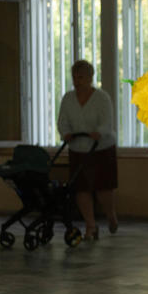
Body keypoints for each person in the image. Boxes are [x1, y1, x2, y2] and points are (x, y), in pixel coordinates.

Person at [57, 59, 118, 240]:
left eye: (81, 77)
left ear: (90, 77)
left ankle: (110, 215)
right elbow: (62, 121)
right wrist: (66, 133)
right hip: (77, 147)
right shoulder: (68, 99)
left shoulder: (102, 98)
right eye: (75, 77)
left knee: (103, 188)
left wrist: (98, 132)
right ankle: (91, 226)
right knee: (81, 189)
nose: (77, 80)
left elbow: (107, 122)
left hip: (100, 148)